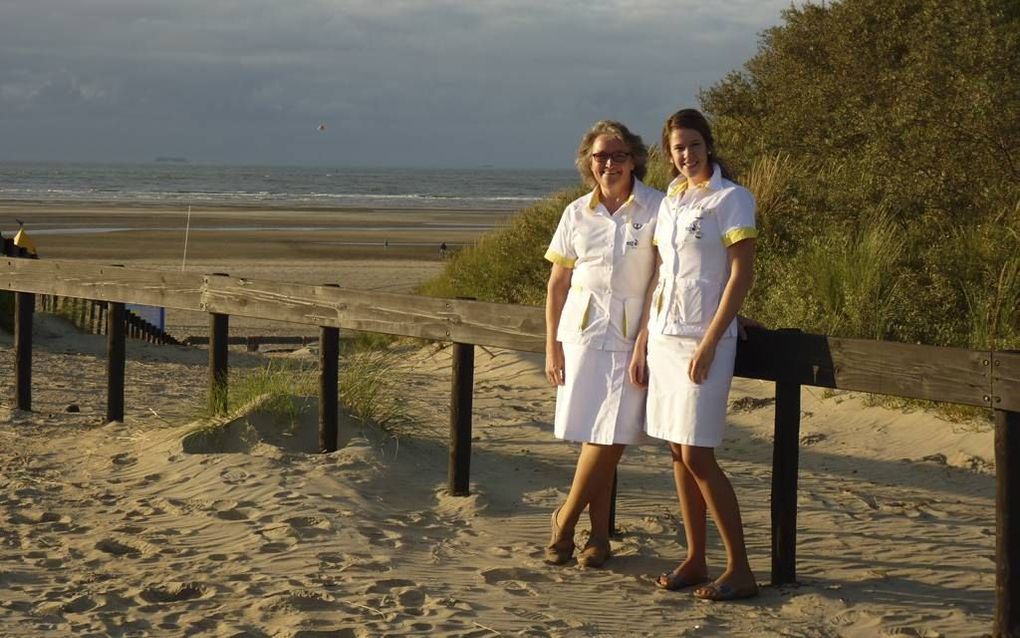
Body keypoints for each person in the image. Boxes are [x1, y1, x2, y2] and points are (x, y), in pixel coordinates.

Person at [629, 108, 759, 601]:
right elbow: (662, 273)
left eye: (694, 145)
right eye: (678, 148)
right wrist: (643, 337)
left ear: (708, 145)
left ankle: (740, 568)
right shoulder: (673, 202)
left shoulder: (732, 199)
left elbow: (738, 276)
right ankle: (695, 558)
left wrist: (712, 339)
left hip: (703, 342)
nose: (686, 155)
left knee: (698, 453)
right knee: (675, 451)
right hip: (663, 336)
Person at [543, 120, 663, 568]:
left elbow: (662, 277)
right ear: (588, 162)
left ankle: (565, 518)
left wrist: (645, 340)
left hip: (634, 337)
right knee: (596, 434)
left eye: (617, 155)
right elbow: (557, 284)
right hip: (582, 337)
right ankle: (598, 537)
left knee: (615, 433)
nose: (608, 164)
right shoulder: (577, 213)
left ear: (634, 159)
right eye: (600, 157)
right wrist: (552, 345)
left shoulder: (656, 207)